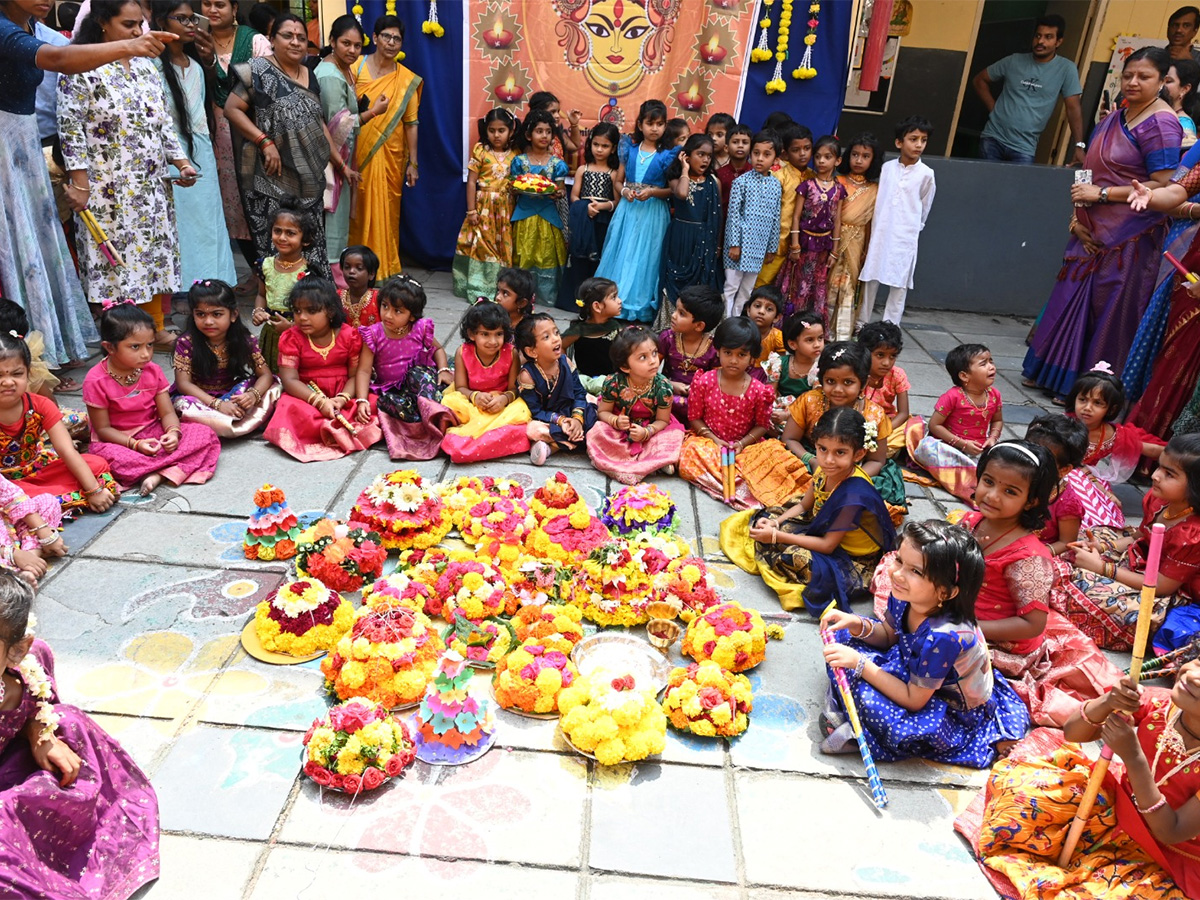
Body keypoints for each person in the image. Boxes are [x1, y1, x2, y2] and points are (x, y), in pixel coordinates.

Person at [0, 0, 167, 371]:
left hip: (25, 140)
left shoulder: (33, 28)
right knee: (14, 249)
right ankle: (17, 361)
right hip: (4, 143)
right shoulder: (5, 29)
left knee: (37, 248)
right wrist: (131, 45)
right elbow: (59, 62)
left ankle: (41, 353)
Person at [1024, 47, 1182, 398]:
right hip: (1087, 227)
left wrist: (1102, 195)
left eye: (1144, 76)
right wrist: (1076, 214)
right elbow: (1087, 169)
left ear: (1161, 82)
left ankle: (1091, 389)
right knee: (1068, 299)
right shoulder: (1116, 115)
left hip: (1129, 236)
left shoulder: (1162, 123)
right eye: (1128, 75)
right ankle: (1053, 373)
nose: (1133, 82)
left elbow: (1163, 185)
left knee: (1107, 312)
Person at [971, 663, 1200, 899]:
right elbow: (1074, 733)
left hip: (1167, 854)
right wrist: (1109, 701)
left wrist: (1133, 757)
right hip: (1114, 807)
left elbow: (1171, 831)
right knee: (1019, 797)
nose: (1194, 676)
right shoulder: (1160, 703)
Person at [934, 441, 1121, 727]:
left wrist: (969, 627)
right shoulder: (971, 522)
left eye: (1010, 491)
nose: (993, 495)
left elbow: (1033, 625)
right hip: (963, 617)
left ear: (1032, 501)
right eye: (988, 481)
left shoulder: (1029, 557)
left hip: (1000, 642)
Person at [0, 574, 162, 897]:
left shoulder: (27, 670)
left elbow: (40, 699)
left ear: (17, 652)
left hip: (8, 773)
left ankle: (75, 844)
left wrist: (40, 734)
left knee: (69, 723)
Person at [820, 519, 1029, 766]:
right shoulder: (904, 595)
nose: (897, 574)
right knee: (844, 634)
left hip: (948, 705)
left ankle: (859, 731)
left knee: (871, 699)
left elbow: (914, 699)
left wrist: (860, 664)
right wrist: (857, 624)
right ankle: (851, 707)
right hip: (920, 670)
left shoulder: (944, 637)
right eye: (899, 560)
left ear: (946, 592)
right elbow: (888, 635)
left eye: (915, 571)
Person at [58, 0, 197, 347]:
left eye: (141, 25)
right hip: (105, 185)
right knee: (114, 261)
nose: (138, 32)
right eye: (129, 25)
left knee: (150, 253)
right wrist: (80, 184)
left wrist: (180, 162)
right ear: (103, 23)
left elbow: (162, 121)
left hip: (148, 182)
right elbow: (70, 129)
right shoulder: (81, 65)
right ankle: (122, 335)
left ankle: (154, 326)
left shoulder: (146, 65)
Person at [721, 407, 894, 613]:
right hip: (822, 527)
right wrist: (777, 523)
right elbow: (804, 505)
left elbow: (828, 546)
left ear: (859, 454)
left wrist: (776, 536)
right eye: (822, 449)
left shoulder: (852, 495)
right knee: (771, 515)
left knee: (793, 558)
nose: (828, 460)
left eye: (840, 452)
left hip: (852, 559)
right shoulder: (824, 470)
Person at [224, 13, 342, 277]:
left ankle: (314, 299)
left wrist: (338, 161)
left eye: (301, 37)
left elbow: (317, 121)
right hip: (271, 175)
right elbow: (232, 110)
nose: (295, 42)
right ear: (271, 39)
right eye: (287, 36)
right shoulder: (257, 71)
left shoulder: (310, 75)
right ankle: (278, 303)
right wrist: (264, 141)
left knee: (310, 241)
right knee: (277, 242)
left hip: (308, 176)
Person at [1067, 433, 1200, 653]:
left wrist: (1102, 568)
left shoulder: (1192, 533)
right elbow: (1139, 536)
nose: (1156, 476)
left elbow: (1161, 586)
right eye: (1159, 467)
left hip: (1170, 592)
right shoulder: (1159, 500)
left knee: (1122, 607)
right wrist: (1102, 547)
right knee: (1083, 539)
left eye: (1169, 474)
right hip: (1142, 560)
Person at [84, 301, 221, 495]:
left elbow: (167, 413)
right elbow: (103, 429)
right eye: (135, 347)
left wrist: (172, 433)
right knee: (106, 460)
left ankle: (158, 474)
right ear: (110, 347)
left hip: (153, 431)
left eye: (150, 345)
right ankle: (171, 468)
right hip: (119, 441)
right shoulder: (95, 379)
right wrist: (135, 445)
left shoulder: (152, 370)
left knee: (205, 434)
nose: (146, 354)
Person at [678, 316, 809, 509]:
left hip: (747, 447)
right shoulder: (704, 381)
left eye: (741, 355)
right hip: (710, 443)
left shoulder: (759, 390)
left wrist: (741, 444)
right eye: (728, 352)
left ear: (752, 357)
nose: (733, 360)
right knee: (690, 452)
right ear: (718, 350)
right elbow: (695, 418)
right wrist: (714, 439)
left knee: (777, 456)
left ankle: (732, 480)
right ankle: (743, 483)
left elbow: (762, 426)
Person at [152, 0, 237, 288]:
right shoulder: (151, 66)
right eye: (182, 19)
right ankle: (182, 286)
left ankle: (214, 282)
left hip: (201, 150)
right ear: (162, 21)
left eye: (192, 19)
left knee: (209, 221)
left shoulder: (197, 66)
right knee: (180, 224)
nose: (190, 25)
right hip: (169, 153)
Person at [263, 278, 382, 461]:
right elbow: (289, 380)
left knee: (373, 403)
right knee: (287, 407)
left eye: (311, 311)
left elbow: (355, 375)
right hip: (306, 394)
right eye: (297, 311)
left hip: (343, 392)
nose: (302, 317)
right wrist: (319, 402)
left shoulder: (349, 335)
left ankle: (334, 428)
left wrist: (342, 399)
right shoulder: (291, 338)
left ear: (331, 311)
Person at [782, 341, 906, 511]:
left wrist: (847, 478)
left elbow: (877, 460)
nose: (838, 389)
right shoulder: (809, 400)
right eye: (830, 381)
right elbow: (789, 438)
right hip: (812, 459)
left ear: (863, 384)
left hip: (853, 468)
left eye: (848, 382)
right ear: (821, 379)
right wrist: (812, 460)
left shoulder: (874, 415)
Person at [0, 331, 115, 515]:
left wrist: (93, 490)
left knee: (96, 464)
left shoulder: (40, 404)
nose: (7, 382)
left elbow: (66, 450)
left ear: (28, 373)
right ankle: (34, 505)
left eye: (17, 373)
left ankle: (36, 505)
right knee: (12, 497)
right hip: (4, 485)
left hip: (37, 469)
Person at [347, 14, 421, 280]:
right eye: (386, 36)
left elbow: (411, 123)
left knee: (386, 211)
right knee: (355, 209)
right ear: (375, 38)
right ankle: (353, 268)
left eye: (397, 38)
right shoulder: (354, 67)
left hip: (391, 153)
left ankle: (384, 267)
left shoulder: (406, 80)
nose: (391, 42)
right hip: (355, 150)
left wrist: (413, 162)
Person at [202, 0, 270, 287]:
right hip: (213, 135)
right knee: (230, 205)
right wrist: (205, 62)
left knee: (258, 199)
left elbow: (267, 85)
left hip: (250, 130)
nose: (212, 10)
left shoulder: (253, 40)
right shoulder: (195, 41)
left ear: (234, 7)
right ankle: (256, 273)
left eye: (220, 4)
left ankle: (270, 272)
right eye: (206, 4)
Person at [315, 15, 387, 277]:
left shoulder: (341, 69)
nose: (353, 51)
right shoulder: (330, 76)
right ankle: (334, 274)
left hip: (339, 157)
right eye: (346, 43)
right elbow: (337, 126)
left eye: (357, 46)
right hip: (332, 159)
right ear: (332, 41)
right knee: (333, 215)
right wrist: (374, 112)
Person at [355, 274, 454, 461]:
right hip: (396, 390)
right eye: (384, 307)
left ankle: (431, 410)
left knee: (418, 374)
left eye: (397, 311)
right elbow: (364, 370)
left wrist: (443, 370)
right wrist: (361, 400)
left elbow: (438, 349)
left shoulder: (419, 329)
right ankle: (423, 418)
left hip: (422, 384)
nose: (388, 315)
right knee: (384, 402)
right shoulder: (374, 334)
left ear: (412, 315)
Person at [595, 99, 676, 323]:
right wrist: (625, 192)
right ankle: (613, 301)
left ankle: (638, 306)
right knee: (623, 252)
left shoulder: (668, 155)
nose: (655, 128)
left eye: (660, 124)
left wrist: (652, 192)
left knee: (646, 257)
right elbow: (619, 182)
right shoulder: (629, 150)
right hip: (628, 211)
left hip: (653, 213)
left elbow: (672, 190)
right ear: (640, 125)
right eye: (650, 123)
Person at [855, 116, 936, 329]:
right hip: (880, 231)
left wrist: (911, 229)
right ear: (899, 142)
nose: (919, 144)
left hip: (905, 236)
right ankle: (862, 323)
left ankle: (891, 327)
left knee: (899, 284)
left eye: (923, 140)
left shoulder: (927, 174)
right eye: (913, 139)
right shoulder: (887, 169)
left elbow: (924, 208)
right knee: (871, 277)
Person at [972, 15, 1085, 166]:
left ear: (1058, 42)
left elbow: (1073, 108)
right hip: (993, 138)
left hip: (1024, 147)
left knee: (1017, 189)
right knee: (985, 186)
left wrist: (1079, 145)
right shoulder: (1013, 61)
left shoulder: (1066, 69)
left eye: (1048, 37)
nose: (1040, 41)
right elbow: (979, 80)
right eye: (1038, 36)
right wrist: (993, 109)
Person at [171, 279, 279, 438]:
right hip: (198, 399)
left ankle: (227, 420)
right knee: (183, 406)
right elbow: (183, 384)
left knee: (275, 386)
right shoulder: (186, 342)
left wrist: (252, 395)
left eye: (217, 314)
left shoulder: (244, 339)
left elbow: (265, 375)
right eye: (200, 314)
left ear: (233, 315)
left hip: (230, 393)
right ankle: (233, 422)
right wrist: (217, 404)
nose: (208, 321)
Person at [587, 325, 683, 484]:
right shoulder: (613, 382)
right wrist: (615, 421)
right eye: (643, 357)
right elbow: (603, 412)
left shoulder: (663, 386)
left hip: (652, 426)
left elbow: (663, 421)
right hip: (622, 425)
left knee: (672, 437)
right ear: (625, 366)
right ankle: (654, 462)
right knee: (598, 431)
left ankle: (656, 460)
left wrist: (646, 432)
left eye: (654, 353)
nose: (654, 361)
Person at [908, 343, 1003, 502]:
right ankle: (967, 478)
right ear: (964, 376)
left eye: (991, 361)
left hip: (978, 449)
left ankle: (967, 475)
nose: (991, 367)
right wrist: (963, 444)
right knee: (927, 448)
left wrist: (992, 439)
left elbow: (998, 420)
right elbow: (934, 425)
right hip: (950, 448)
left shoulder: (994, 395)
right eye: (983, 363)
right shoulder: (953, 396)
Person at [440, 301, 530, 464]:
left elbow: (514, 389)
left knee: (522, 411)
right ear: (472, 334)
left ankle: (482, 442)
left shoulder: (511, 353)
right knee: (449, 404)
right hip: (471, 402)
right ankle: (493, 440)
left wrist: (504, 399)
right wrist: (475, 396)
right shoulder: (463, 352)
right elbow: (460, 387)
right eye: (485, 334)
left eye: (499, 334)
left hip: (501, 404)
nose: (493, 341)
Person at [452, 108, 517, 304]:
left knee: (503, 246)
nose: (496, 135)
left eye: (501, 130)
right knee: (482, 245)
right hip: (483, 208)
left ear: (511, 131)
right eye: (492, 130)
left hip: (506, 209)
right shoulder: (480, 150)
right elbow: (471, 181)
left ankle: (503, 289)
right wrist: (471, 210)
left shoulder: (516, 154)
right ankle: (480, 287)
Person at [657, 133, 722, 328]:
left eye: (709, 156)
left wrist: (717, 246)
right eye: (700, 154)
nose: (705, 159)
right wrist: (684, 170)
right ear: (686, 156)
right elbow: (682, 194)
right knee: (674, 277)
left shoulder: (713, 182)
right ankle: (671, 323)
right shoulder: (676, 177)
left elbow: (717, 218)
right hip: (680, 236)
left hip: (703, 239)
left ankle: (694, 324)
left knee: (699, 282)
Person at [516, 313, 597, 465]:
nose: (555, 339)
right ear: (532, 351)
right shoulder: (527, 376)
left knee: (593, 409)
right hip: (547, 418)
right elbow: (536, 411)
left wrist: (577, 419)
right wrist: (562, 421)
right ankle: (571, 442)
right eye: (546, 337)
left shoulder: (565, 361)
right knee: (532, 429)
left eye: (556, 332)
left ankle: (552, 447)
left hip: (570, 409)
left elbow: (579, 393)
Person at [557, 122, 621, 312]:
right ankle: (574, 301)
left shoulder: (613, 174)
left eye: (605, 146)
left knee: (598, 260)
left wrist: (601, 206)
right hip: (583, 221)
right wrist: (585, 208)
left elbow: (618, 202)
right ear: (590, 144)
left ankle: (596, 302)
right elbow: (574, 196)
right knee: (579, 260)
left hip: (602, 222)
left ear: (613, 148)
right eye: (596, 144)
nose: (599, 149)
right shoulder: (583, 170)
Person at [781, 134, 846, 322]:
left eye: (827, 157)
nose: (821, 161)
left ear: (837, 160)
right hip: (803, 244)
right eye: (818, 157)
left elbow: (837, 220)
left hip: (824, 247)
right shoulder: (807, 186)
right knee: (799, 283)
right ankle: (794, 323)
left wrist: (834, 251)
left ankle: (814, 325)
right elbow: (796, 216)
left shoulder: (839, 190)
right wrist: (794, 245)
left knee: (818, 285)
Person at [510, 110, 569, 307]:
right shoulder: (519, 162)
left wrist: (557, 193)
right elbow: (514, 188)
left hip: (548, 217)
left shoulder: (557, 164)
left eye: (548, 131)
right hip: (524, 217)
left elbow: (560, 190)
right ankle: (520, 298)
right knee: (523, 254)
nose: (544, 136)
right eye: (539, 131)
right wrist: (515, 188)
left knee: (547, 256)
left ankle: (546, 297)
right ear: (528, 135)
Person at [827, 132, 882, 341]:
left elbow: (871, 224)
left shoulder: (875, 190)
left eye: (865, 156)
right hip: (833, 237)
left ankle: (841, 333)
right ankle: (822, 330)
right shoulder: (836, 181)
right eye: (855, 155)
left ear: (873, 160)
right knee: (829, 284)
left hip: (857, 241)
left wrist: (867, 249)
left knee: (849, 285)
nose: (859, 160)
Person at [723, 129, 783, 318]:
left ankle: (737, 321)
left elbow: (776, 218)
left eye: (766, 154)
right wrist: (734, 244)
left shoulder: (775, 185)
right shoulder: (741, 182)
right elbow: (733, 215)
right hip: (737, 247)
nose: (759, 159)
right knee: (731, 287)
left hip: (758, 248)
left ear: (775, 159)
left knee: (747, 291)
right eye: (756, 153)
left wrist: (772, 248)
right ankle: (725, 322)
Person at [1070, 367, 1164, 484]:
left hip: (1085, 480)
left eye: (1097, 403)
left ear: (1111, 409)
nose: (1087, 408)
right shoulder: (1062, 423)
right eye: (1082, 399)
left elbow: (1155, 449)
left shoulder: (1113, 434)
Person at [251, 202, 314, 372]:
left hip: (298, 334)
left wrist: (293, 327)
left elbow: (315, 311)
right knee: (269, 376)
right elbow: (262, 295)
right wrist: (258, 311)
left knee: (293, 376)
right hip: (270, 333)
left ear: (305, 240)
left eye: (291, 233)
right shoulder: (265, 265)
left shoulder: (309, 270)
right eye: (277, 231)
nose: (282, 238)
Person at [756, 123, 812, 290]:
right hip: (776, 244)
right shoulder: (777, 176)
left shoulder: (813, 176)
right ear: (785, 152)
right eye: (796, 150)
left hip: (802, 246)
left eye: (807, 148)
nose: (802, 154)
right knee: (762, 285)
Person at [659, 285, 722, 424]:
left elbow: (715, 384)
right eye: (676, 310)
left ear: (699, 326)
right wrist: (669, 384)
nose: (674, 315)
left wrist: (696, 391)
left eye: (681, 313)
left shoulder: (713, 349)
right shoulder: (667, 338)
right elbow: (648, 372)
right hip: (665, 394)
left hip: (696, 402)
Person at [560, 277, 626, 393]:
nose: (619, 301)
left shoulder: (615, 327)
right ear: (597, 306)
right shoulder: (579, 330)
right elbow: (560, 346)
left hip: (610, 381)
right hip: (584, 380)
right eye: (613, 297)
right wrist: (567, 366)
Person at [859, 321, 912, 458]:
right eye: (880, 355)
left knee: (913, 428)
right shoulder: (856, 372)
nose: (887, 362)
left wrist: (883, 430)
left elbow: (903, 413)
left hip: (887, 422)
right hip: (859, 420)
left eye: (892, 356)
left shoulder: (897, 374)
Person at [744, 285, 784, 381]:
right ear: (748, 310)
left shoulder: (777, 337)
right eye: (757, 306)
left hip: (765, 377)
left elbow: (779, 365)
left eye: (769, 309)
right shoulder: (740, 330)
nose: (761, 311)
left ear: (776, 317)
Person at [714, 123, 752, 215]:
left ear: (751, 148)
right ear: (726, 148)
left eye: (745, 142)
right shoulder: (719, 174)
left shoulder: (754, 173)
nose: (740, 146)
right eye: (735, 142)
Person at [337, 244, 379, 327]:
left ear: (371, 274)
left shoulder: (379, 299)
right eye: (347, 267)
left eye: (359, 268)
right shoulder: (336, 297)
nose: (351, 271)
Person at [493, 266, 536, 332]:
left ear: (521, 303)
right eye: (498, 291)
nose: (498, 297)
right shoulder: (494, 317)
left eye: (505, 293)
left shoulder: (527, 329)